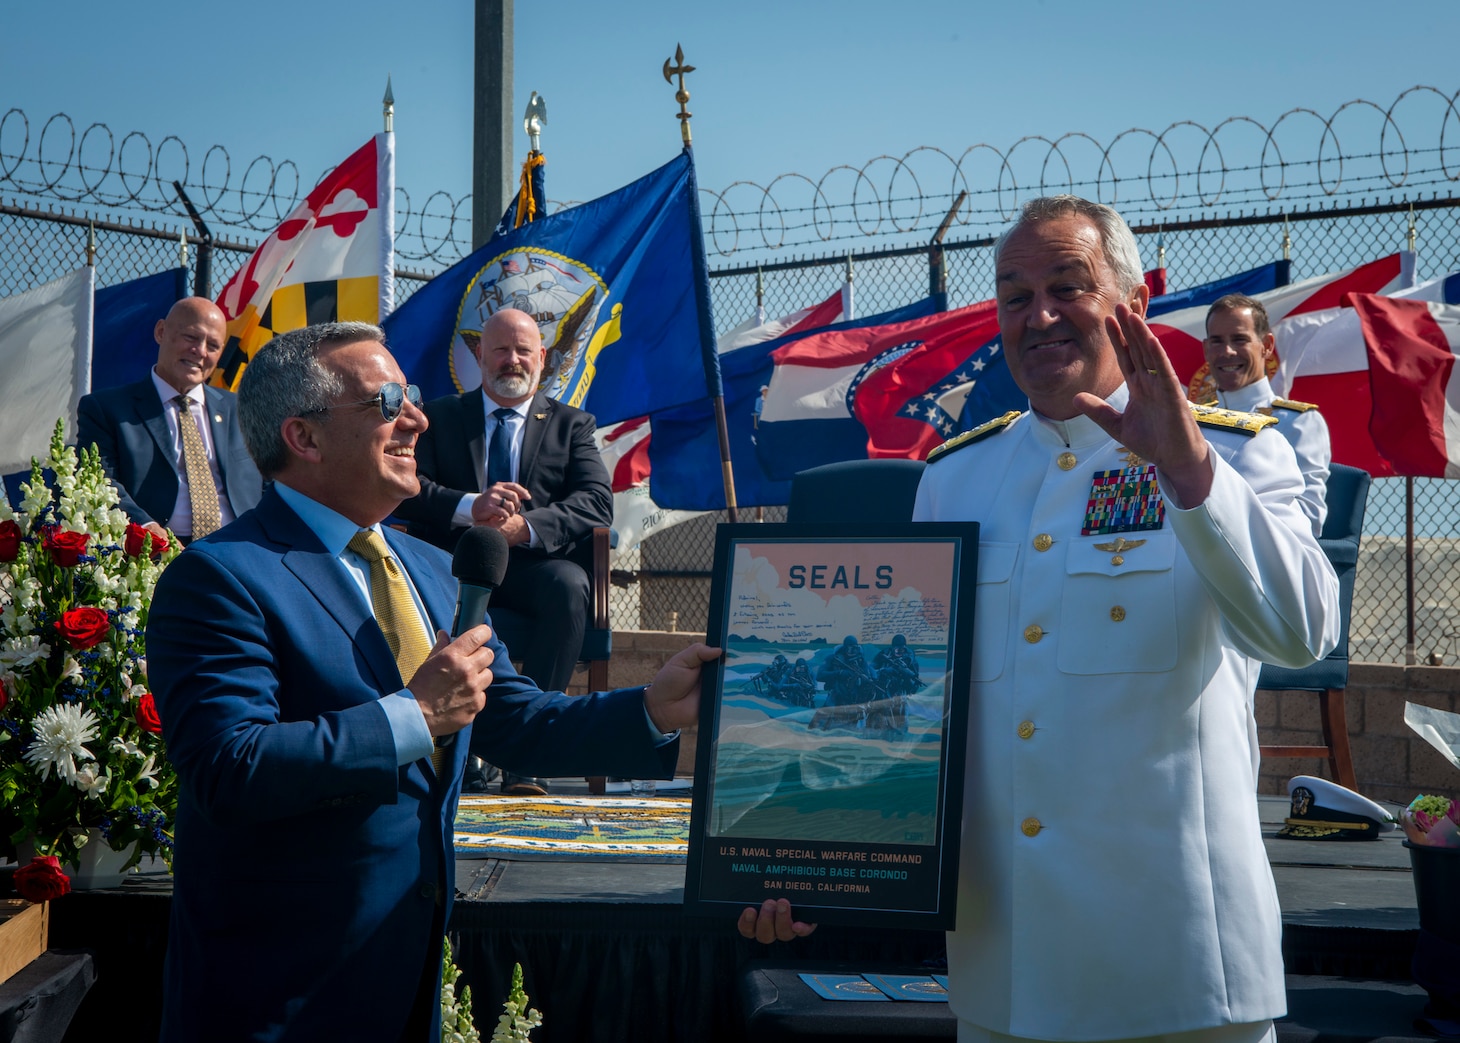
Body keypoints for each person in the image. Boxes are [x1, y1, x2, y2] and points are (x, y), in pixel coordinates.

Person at [742, 196, 1341, 1043]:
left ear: (1129, 307)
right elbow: (902, 713)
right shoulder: (954, 480)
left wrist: (1188, 466)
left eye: (1069, 285)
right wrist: (807, 855)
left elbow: (1303, 630)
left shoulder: (1236, 450)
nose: (1041, 315)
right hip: (1008, 983)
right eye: (1015, 295)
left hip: (1179, 975)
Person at [146, 321, 717, 1043]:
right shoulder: (220, 577)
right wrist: (412, 713)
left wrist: (652, 709)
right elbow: (229, 767)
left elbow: (511, 719)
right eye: (387, 400)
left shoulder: (425, 567)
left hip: (405, 981)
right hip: (276, 998)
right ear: (305, 437)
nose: (416, 415)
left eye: (411, 394)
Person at [394, 308, 612, 795]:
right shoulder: (442, 417)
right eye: (500, 349)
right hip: (457, 565)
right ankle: (460, 745)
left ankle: (530, 751)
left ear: (543, 357)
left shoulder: (571, 425)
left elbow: (596, 503)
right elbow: (411, 487)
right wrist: (473, 507)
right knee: (438, 591)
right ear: (479, 355)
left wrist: (522, 528)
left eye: (522, 351)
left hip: (537, 569)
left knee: (571, 586)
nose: (511, 360)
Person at [76, 296, 263, 544]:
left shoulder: (244, 409)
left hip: (239, 548)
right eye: (191, 337)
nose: (201, 351)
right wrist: (146, 526)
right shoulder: (106, 410)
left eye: (214, 346)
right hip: (157, 552)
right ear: (161, 332)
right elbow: (99, 479)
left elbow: (273, 480)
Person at [1202, 293, 1332, 535]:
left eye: (1240, 339)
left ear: (1267, 346)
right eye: (1217, 341)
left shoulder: (1297, 422)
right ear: (1206, 349)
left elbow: (1309, 517)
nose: (1227, 351)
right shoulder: (1193, 422)